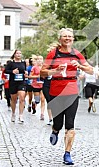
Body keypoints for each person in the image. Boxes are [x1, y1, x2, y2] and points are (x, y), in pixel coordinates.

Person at [40, 28, 93, 165]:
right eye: (65, 36)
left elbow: (91, 70)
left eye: (70, 36)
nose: (67, 38)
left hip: (71, 91)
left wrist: (80, 66)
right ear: (60, 39)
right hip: (56, 91)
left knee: (70, 124)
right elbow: (43, 72)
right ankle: (55, 130)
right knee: (58, 122)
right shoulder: (53, 54)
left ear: (73, 39)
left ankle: (67, 153)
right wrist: (54, 70)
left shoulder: (76, 54)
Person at [5, 50, 27, 123]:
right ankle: (13, 113)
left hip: (21, 82)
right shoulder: (11, 63)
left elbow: (24, 71)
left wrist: (25, 73)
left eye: (20, 53)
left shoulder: (23, 63)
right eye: (17, 53)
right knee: (14, 100)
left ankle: (21, 115)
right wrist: (12, 71)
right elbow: (5, 71)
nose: (18, 54)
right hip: (13, 83)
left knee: (22, 97)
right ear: (14, 54)